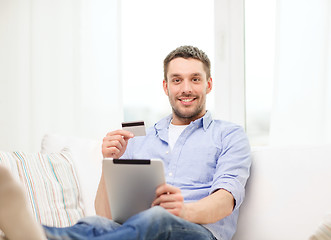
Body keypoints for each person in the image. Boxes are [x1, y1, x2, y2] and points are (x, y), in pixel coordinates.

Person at [0, 45, 251, 240]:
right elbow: (106, 215)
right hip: (136, 231)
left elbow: (224, 201)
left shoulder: (229, 135)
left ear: (208, 84)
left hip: (198, 233)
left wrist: (182, 211)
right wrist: (110, 162)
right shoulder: (139, 137)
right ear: (166, 87)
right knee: (95, 224)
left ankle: (34, 234)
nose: (186, 88)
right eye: (177, 80)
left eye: (195, 79)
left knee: (157, 219)